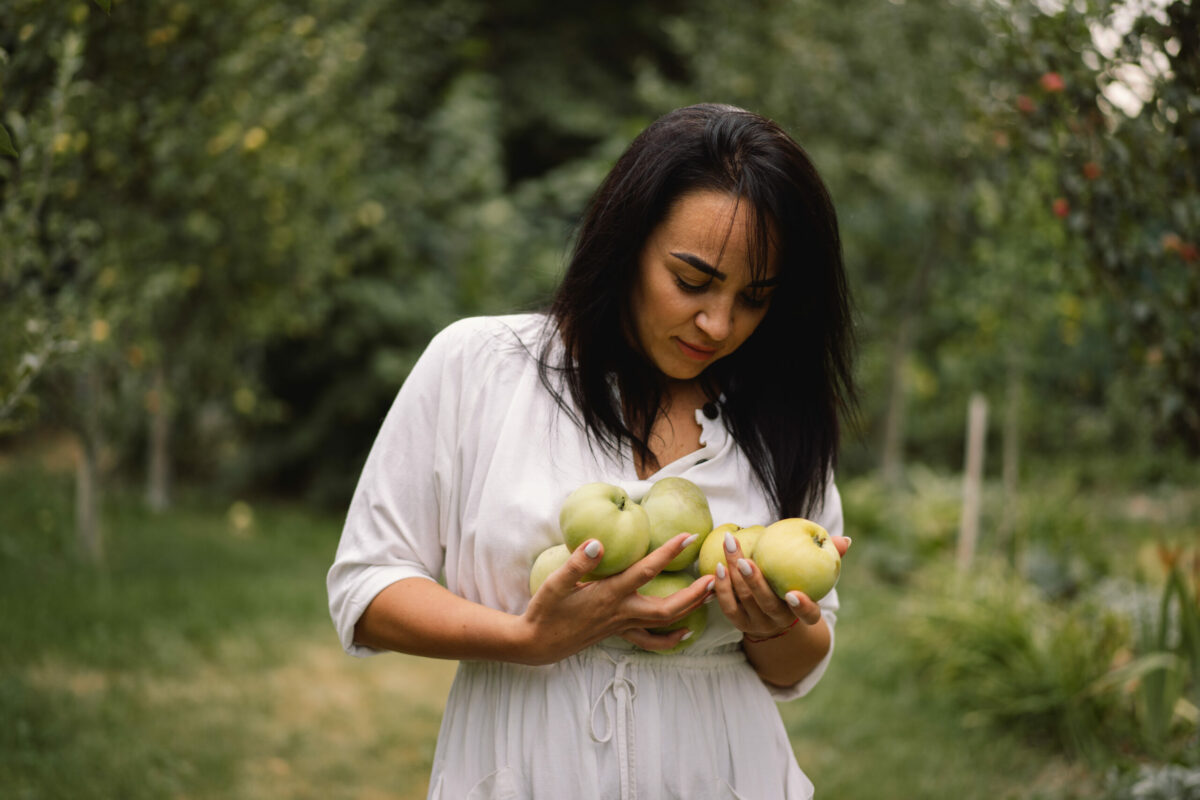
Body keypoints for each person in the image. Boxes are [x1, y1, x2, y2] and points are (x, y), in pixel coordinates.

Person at [327, 103, 856, 799]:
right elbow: (366, 589)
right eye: (692, 281)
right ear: (626, 243)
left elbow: (797, 667)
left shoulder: (778, 419)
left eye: (754, 297)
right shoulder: (479, 366)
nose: (718, 323)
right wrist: (526, 639)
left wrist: (772, 623)